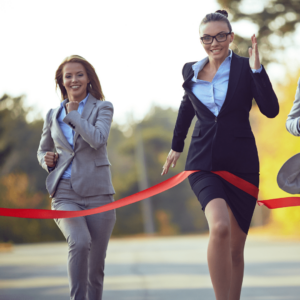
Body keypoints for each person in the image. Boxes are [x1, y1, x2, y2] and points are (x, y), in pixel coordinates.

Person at [161, 10, 279, 300]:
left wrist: (257, 71)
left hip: (242, 165)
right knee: (220, 227)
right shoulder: (190, 70)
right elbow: (186, 107)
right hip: (203, 163)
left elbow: (271, 110)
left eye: (220, 36)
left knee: (236, 249)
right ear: (201, 39)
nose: (214, 42)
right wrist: (177, 145)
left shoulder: (244, 68)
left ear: (231, 37)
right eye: (207, 37)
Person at [37, 55, 116, 300]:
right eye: (68, 76)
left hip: (99, 195)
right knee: (80, 242)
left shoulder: (103, 107)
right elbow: (42, 149)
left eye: (79, 74)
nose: (73, 80)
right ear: (61, 82)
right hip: (64, 193)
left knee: (95, 269)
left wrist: (74, 115)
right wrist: (45, 160)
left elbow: (98, 139)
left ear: (88, 78)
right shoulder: (52, 114)